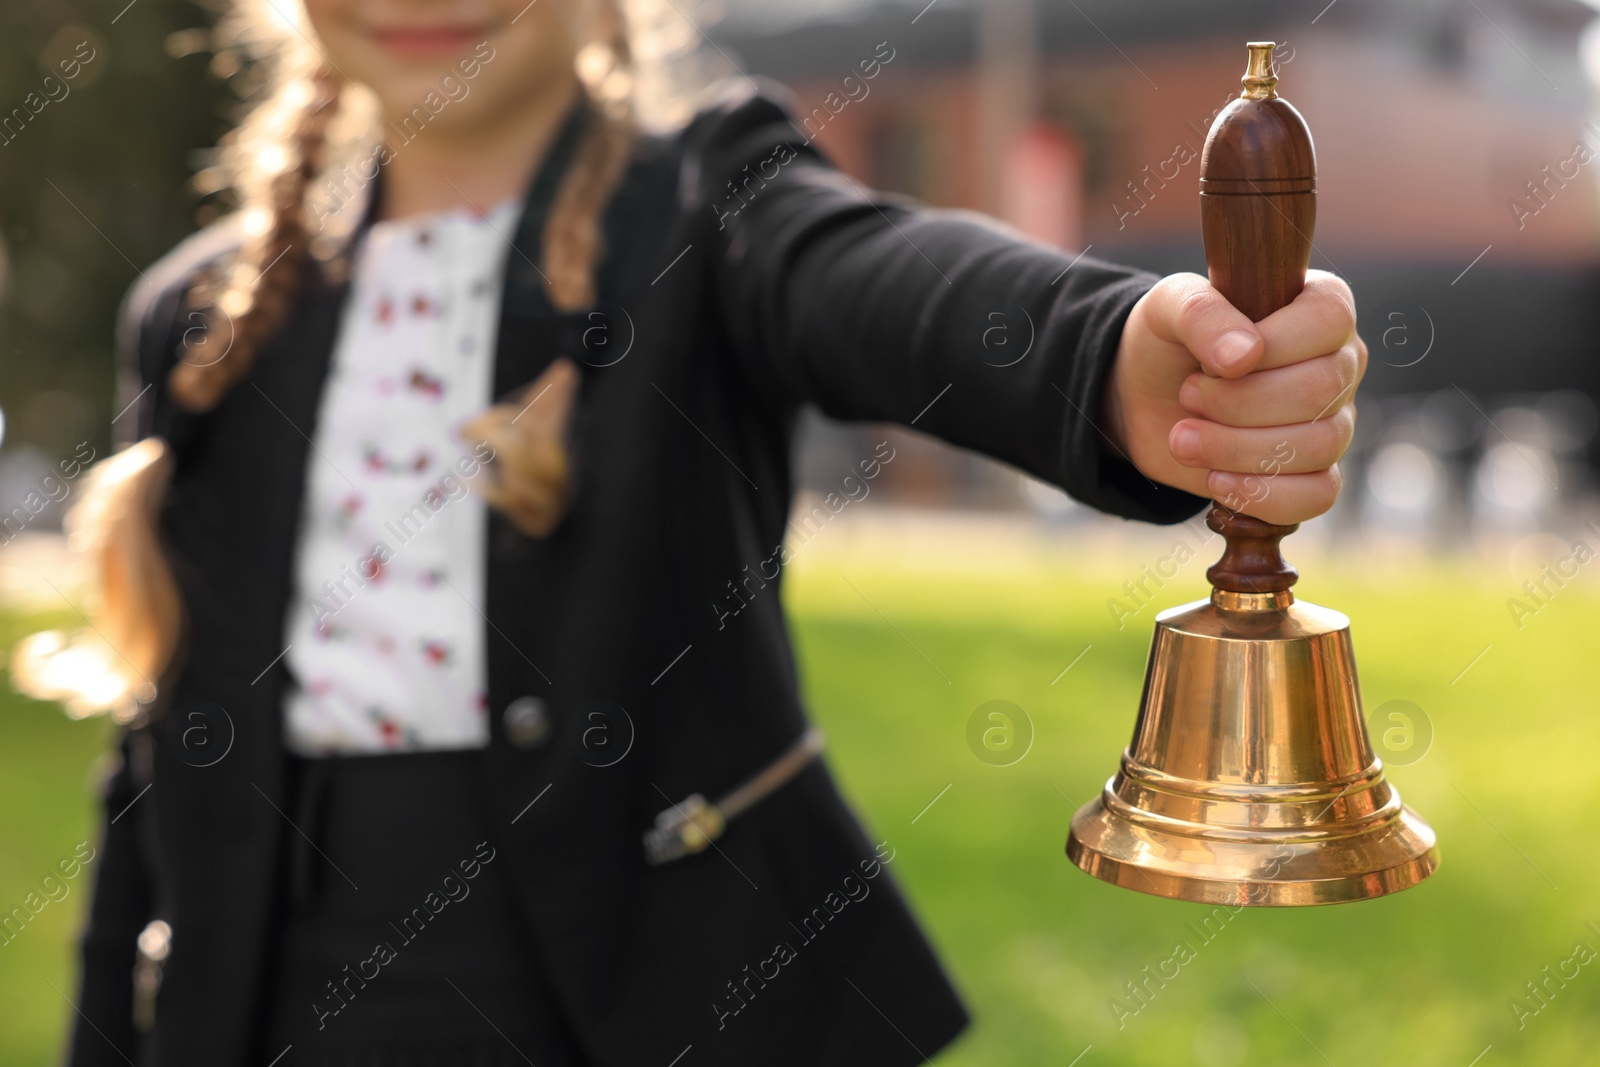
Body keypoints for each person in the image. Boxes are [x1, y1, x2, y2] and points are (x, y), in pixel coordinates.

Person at [33, 0, 1365, 1064]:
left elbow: (890, 290)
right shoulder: (204, 317)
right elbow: (158, 759)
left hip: (644, 996)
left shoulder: (704, 205)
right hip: (277, 1004)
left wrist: (1110, 358)